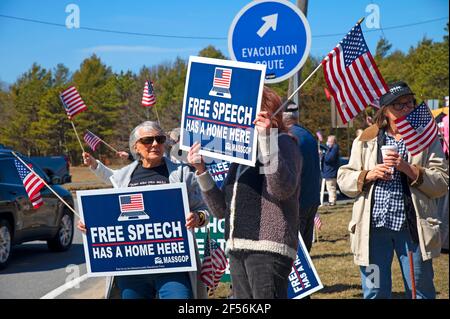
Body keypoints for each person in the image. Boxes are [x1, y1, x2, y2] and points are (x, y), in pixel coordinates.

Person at [187, 86, 302, 299]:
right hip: (237, 247)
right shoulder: (240, 153)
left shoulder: (284, 142)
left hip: (268, 248)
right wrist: (202, 171)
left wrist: (267, 139)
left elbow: (281, 189)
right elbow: (221, 210)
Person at [337, 81, 448, 299]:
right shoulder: (366, 138)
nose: (406, 108)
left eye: (409, 103)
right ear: (385, 110)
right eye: (398, 105)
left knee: (420, 292)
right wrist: (368, 174)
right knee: (375, 291)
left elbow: (442, 182)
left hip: (413, 230)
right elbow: (343, 178)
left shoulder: (425, 137)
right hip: (373, 230)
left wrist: (406, 167)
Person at [78, 121, 210, 299]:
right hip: (132, 269)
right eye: (148, 140)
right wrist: (91, 225)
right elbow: (109, 214)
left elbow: (204, 209)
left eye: (159, 139)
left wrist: (197, 217)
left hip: (172, 265)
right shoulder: (124, 177)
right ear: (136, 147)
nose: (155, 144)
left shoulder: (183, 174)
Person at [282, 100, 321, 252]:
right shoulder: (308, 135)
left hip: (297, 202)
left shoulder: (288, 137)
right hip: (311, 200)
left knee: (294, 256)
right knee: (304, 251)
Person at [322, 135, 340, 206]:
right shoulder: (330, 149)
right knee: (329, 187)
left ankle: (332, 201)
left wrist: (324, 154)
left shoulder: (334, 148)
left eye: (329, 141)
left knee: (331, 187)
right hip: (328, 171)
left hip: (331, 171)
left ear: (333, 142)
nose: (328, 143)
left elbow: (329, 159)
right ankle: (331, 200)